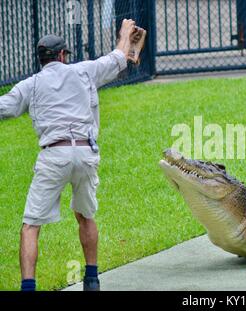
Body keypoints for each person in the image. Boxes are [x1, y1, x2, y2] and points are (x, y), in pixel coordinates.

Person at [0, 19, 145, 291]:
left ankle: (28, 287)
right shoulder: (84, 71)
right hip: (85, 152)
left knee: (30, 226)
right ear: (63, 55)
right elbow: (118, 59)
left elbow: (3, 108)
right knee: (85, 216)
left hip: (53, 155)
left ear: (41, 59)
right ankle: (92, 280)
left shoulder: (30, 85)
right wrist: (125, 33)